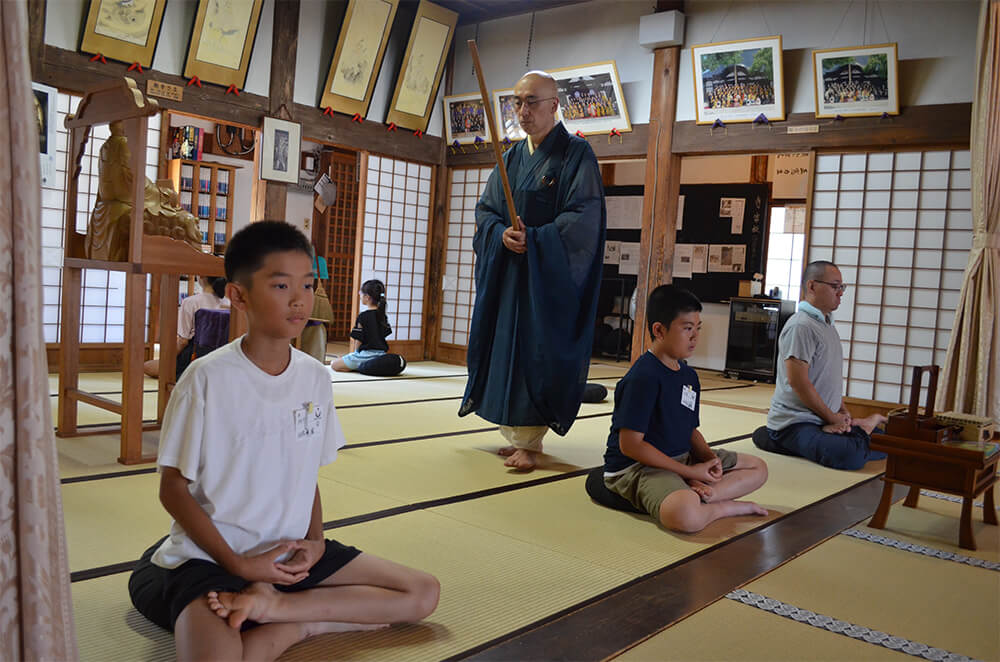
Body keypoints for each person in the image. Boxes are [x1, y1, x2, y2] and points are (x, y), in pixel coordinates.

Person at [127, 221, 439, 661]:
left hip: (289, 553)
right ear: (238, 296)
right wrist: (238, 567)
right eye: (280, 285)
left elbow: (304, 474)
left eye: (308, 285)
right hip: (213, 559)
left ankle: (291, 616)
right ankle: (294, 620)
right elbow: (172, 489)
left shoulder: (314, 376)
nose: (299, 300)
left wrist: (314, 542)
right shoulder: (206, 378)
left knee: (422, 593)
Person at [460, 70, 606, 471]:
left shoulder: (577, 155)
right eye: (517, 102)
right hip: (510, 277)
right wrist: (499, 233)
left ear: (554, 105)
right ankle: (514, 433)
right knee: (505, 347)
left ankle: (531, 439)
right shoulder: (510, 158)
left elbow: (583, 217)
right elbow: (486, 210)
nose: (522, 111)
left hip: (546, 280)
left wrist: (537, 240)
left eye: (532, 102)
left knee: (536, 351)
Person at [602, 285, 769, 533]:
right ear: (659, 330)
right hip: (639, 468)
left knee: (758, 468)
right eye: (687, 328)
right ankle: (721, 507)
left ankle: (706, 493)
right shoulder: (643, 377)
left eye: (698, 329)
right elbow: (631, 445)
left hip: (681, 458)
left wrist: (710, 460)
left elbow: (689, 428)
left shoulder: (689, 375)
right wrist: (689, 471)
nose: (695, 337)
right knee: (685, 515)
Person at [753, 260, 888, 470]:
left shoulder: (826, 324)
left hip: (821, 420)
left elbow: (825, 377)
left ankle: (858, 431)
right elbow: (799, 382)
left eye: (842, 287)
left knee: (888, 442)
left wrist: (842, 413)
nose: (840, 292)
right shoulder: (801, 326)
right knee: (849, 456)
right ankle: (778, 436)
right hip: (797, 422)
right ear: (812, 286)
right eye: (835, 286)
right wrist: (832, 417)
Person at [143, 275, 230, 379]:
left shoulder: (191, 301)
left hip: (195, 354)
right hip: (223, 356)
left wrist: (167, 360)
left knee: (146, 366)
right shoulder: (228, 302)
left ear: (201, 277)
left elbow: (183, 341)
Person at [330, 279, 391, 372]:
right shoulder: (382, 315)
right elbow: (384, 335)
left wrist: (354, 354)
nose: (360, 295)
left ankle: (362, 366)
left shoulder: (363, 316)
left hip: (365, 355)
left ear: (367, 297)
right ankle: (367, 366)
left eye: (361, 294)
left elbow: (358, 339)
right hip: (381, 355)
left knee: (334, 364)